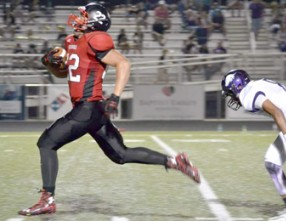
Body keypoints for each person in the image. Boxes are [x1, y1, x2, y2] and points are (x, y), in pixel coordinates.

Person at [17, 2, 200, 216]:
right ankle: (174, 161)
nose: (79, 18)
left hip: (88, 108)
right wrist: (54, 65)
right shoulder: (71, 41)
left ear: (94, 20)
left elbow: (123, 64)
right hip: (92, 110)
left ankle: (47, 199)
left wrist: (115, 97)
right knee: (120, 154)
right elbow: (67, 73)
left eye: (84, 16)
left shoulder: (96, 39)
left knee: (47, 143)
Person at [221, 69, 286, 221]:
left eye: (230, 93)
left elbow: (277, 112)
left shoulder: (247, 96)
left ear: (237, 86)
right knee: (272, 162)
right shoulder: (257, 84)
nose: (231, 98)